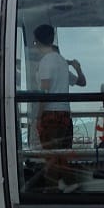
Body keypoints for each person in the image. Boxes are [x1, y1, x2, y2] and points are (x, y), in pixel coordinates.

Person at [33, 23, 86, 191]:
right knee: (61, 153)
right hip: (65, 113)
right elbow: (82, 82)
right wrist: (78, 68)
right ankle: (68, 183)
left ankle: (54, 188)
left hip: (50, 113)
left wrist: (38, 116)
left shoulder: (46, 62)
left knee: (50, 154)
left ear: (37, 42)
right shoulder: (62, 61)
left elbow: (45, 90)